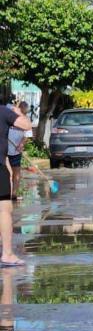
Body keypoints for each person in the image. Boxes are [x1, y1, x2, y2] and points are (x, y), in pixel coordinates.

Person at [0, 104, 32, 266]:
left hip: (7, 158)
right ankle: (7, 254)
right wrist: (18, 112)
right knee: (4, 209)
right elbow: (27, 125)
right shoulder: (4, 111)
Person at [7, 102, 30, 201]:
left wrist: (21, 144)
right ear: (18, 109)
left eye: (25, 113)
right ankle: (7, 193)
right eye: (22, 112)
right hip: (5, 150)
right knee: (8, 173)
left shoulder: (26, 120)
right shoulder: (9, 114)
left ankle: (14, 194)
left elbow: (28, 134)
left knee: (16, 173)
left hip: (16, 151)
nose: (23, 115)